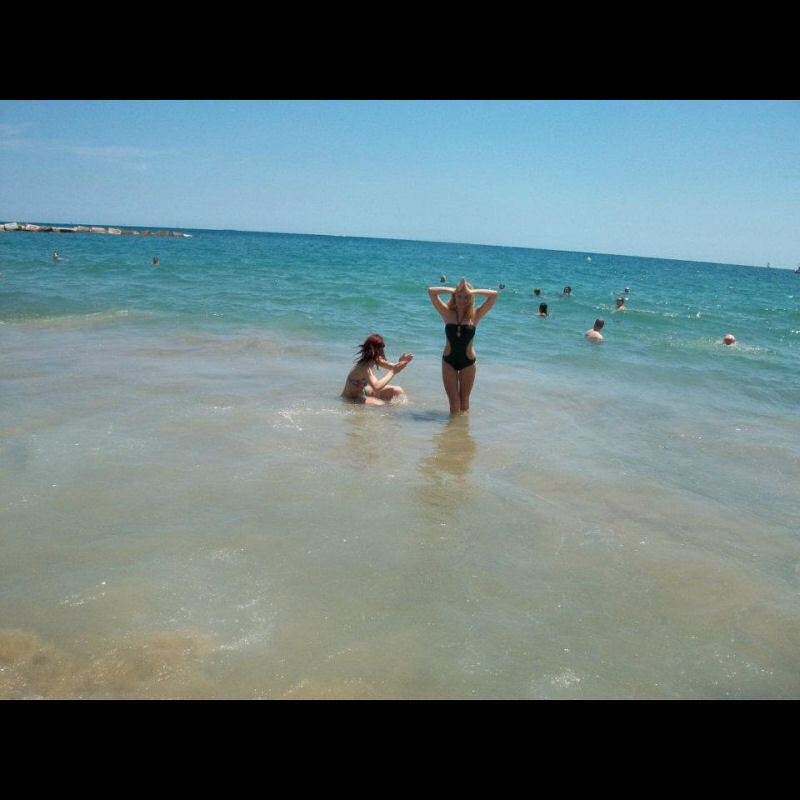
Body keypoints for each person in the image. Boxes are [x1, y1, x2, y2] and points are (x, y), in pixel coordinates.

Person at [428, 277, 500, 415]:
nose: (462, 300)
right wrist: (454, 290)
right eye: (459, 296)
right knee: (454, 404)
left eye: (466, 297)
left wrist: (471, 291)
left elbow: (494, 295)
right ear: (455, 297)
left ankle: (463, 428)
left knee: (464, 403)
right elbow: (431, 291)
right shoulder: (447, 313)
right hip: (449, 361)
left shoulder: (476, 315)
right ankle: (453, 428)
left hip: (468, 362)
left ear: (471, 298)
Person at [341, 334, 413, 405]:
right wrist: (393, 372)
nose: (382, 351)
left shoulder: (376, 359)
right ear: (374, 350)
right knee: (381, 404)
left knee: (398, 390)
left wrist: (402, 362)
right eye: (381, 348)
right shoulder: (364, 367)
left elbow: (393, 367)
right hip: (351, 398)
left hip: (363, 392)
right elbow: (376, 387)